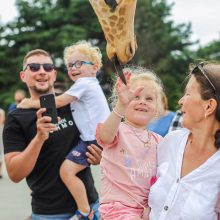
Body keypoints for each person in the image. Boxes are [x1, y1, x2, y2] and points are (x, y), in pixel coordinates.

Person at [3, 49, 102, 220]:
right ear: (23, 76)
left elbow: (96, 135)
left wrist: (99, 156)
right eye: (33, 67)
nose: (42, 71)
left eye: (48, 67)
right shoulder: (16, 117)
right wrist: (39, 138)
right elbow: (14, 173)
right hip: (49, 213)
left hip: (91, 207)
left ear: (54, 75)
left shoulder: (73, 103)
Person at [148, 61, 220, 219]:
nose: (181, 100)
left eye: (187, 94)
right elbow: (137, 170)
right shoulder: (170, 141)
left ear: (209, 106)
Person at [96, 67, 163, 220]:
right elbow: (105, 136)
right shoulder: (118, 130)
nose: (142, 102)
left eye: (149, 99)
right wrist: (121, 104)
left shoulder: (158, 140)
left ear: (156, 108)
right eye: (136, 97)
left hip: (147, 210)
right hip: (117, 208)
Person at [0, 108, 5, 178]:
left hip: (0, 130)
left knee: (1, 151)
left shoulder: (1, 111)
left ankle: (0, 172)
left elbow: (2, 121)